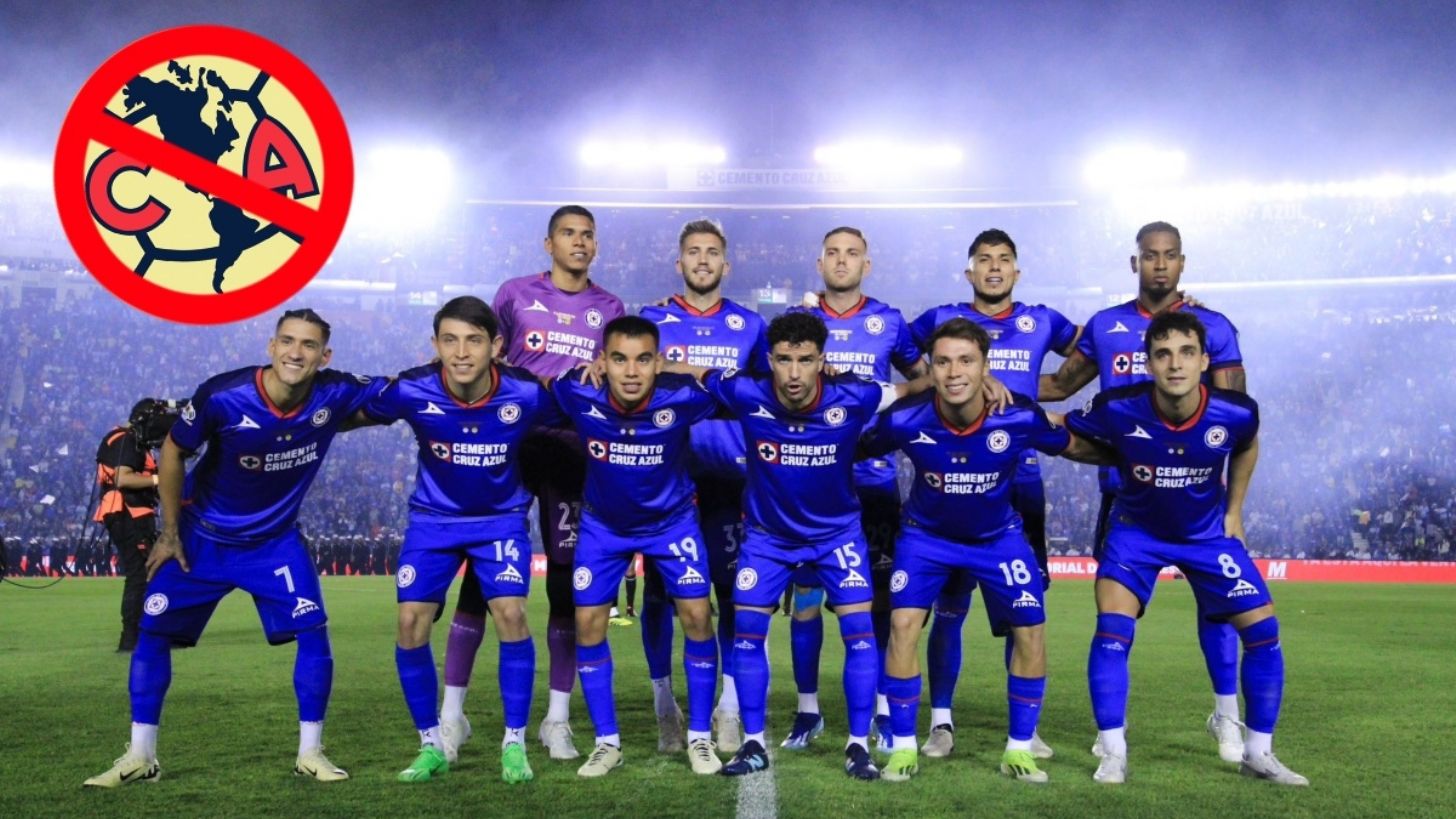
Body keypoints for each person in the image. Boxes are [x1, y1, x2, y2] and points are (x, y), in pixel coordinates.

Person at [83, 309, 386, 787]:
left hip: (274, 542)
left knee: (313, 631)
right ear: (271, 346)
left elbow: (404, 393)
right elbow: (173, 450)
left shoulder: (335, 392)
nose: (296, 352)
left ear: (324, 356)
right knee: (152, 631)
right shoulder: (223, 395)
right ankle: (141, 756)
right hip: (201, 539)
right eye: (287, 341)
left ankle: (310, 753)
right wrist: (170, 531)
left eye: (308, 345)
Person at [673, 311, 926, 780]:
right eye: (784, 360)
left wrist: (979, 379)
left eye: (805, 360)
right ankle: (753, 743)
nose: (794, 373)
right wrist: (645, 362)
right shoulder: (746, 391)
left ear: (821, 360)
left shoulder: (855, 394)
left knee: (860, 633)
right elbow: (691, 371)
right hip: (768, 539)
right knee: (748, 632)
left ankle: (857, 745)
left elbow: (912, 388)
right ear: (769, 360)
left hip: (837, 536)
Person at [1064, 311, 1306, 786]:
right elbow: (1063, 432)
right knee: (1112, 630)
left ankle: (1258, 753)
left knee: (1263, 632)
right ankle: (1112, 751)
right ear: (1148, 363)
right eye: (1163, 354)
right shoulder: (1117, 406)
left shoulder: (1237, 412)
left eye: (1187, 353)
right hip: (1136, 532)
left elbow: (1247, 444)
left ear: (1204, 361)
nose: (1175, 364)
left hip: (1206, 534)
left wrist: (1235, 510)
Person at [863, 318, 1110, 784]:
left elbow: (1074, 446)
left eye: (966, 361)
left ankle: (1019, 750)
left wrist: (1141, 458)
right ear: (931, 369)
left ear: (985, 367)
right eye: (942, 362)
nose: (954, 372)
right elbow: (846, 447)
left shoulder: (1017, 417)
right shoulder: (905, 420)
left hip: (997, 538)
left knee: (1031, 629)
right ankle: (902, 747)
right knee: (902, 625)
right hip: (926, 538)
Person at [1040, 221, 1250, 763]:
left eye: (1169, 255)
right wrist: (987, 383)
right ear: (1135, 263)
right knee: (1115, 619)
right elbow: (1060, 386)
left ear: (1182, 262)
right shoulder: (1106, 325)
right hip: (1127, 496)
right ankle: (1113, 727)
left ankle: (1227, 716)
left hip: (1197, 499)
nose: (1160, 264)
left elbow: (1233, 414)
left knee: (1220, 608)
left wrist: (1234, 507)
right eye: (1150, 255)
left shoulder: (1212, 327)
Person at [440, 205, 625, 764]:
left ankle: (556, 719)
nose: (578, 242)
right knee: (481, 578)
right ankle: (452, 717)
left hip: (571, 452)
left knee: (565, 583)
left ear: (596, 245)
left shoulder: (610, 308)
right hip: (510, 447)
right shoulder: (514, 294)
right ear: (549, 244)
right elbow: (482, 354)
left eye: (587, 235)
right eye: (568, 233)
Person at [354, 296, 559, 784]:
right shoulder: (413, 389)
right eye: (450, 340)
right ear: (435, 344)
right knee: (410, 622)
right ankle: (431, 744)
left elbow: (586, 410)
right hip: (434, 520)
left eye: (473, 341)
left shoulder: (526, 393)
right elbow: (347, 409)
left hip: (500, 519)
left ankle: (514, 744)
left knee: (511, 614)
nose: (461, 352)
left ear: (497, 346)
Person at [906, 229, 1079, 758]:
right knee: (950, 608)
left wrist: (1041, 392)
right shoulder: (941, 320)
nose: (995, 267)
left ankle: (1024, 727)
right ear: (970, 272)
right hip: (954, 478)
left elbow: (1097, 352)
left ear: (1017, 272)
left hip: (1020, 483)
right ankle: (941, 722)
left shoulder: (1042, 321)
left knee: (1023, 610)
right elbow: (898, 353)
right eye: (984, 260)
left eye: (1004, 259)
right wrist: (942, 386)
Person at [552, 316, 723, 776]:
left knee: (698, 617)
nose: (631, 372)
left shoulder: (682, 396)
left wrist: (686, 369)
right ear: (602, 362)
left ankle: (700, 737)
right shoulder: (577, 391)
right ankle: (607, 743)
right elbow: (536, 387)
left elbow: (744, 389)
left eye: (643, 360)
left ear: (658, 363)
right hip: (604, 527)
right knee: (588, 623)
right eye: (619, 359)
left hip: (672, 522)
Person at [782, 226, 927, 754]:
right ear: (819, 262)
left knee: (879, 603)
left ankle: (884, 709)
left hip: (875, 482)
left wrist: (892, 419)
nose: (842, 261)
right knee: (806, 600)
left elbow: (923, 380)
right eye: (833, 253)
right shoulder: (799, 322)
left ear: (867, 264)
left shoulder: (889, 321)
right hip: (811, 484)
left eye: (852, 254)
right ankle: (808, 711)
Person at [638, 218, 768, 754]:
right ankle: (664, 705)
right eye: (693, 251)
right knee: (659, 596)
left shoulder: (751, 325)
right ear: (680, 262)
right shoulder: (651, 319)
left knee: (733, 595)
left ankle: (730, 706)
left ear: (725, 264)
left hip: (730, 480)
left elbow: (763, 394)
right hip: (666, 480)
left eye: (712, 252)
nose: (702, 260)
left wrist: (684, 369)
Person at [93, 399, 178, 652]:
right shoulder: (126, 439)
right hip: (127, 511)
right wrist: (162, 478)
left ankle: (148, 632)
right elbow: (123, 478)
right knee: (140, 574)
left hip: (132, 512)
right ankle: (132, 637)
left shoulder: (129, 440)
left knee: (150, 571)